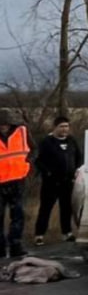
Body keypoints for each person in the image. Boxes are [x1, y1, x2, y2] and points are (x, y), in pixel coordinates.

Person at [34, 115, 83, 245]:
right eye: (61, 126)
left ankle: (67, 233)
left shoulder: (72, 141)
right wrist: (48, 173)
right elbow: (38, 161)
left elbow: (79, 157)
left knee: (66, 208)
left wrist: (77, 170)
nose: (64, 129)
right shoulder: (47, 142)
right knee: (46, 208)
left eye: (66, 126)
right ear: (55, 127)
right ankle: (39, 235)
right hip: (51, 183)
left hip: (67, 182)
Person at [0, 109, 32, 259]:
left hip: (17, 181)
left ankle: (15, 246)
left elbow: (33, 150)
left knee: (18, 216)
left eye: (6, 124)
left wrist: (28, 166)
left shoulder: (22, 132)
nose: (3, 127)